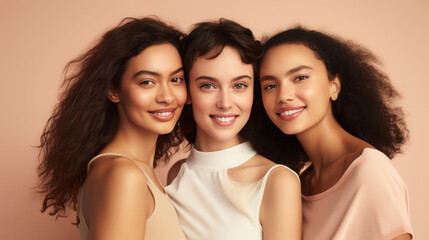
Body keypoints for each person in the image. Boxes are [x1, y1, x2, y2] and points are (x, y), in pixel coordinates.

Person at [256, 26, 412, 239]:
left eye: (300, 77)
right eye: (270, 85)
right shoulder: (299, 183)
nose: (284, 95)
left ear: (334, 86)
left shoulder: (370, 173)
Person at [37, 17, 187, 240]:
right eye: (147, 82)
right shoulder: (124, 175)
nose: (167, 96)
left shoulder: (129, 170)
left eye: (176, 79)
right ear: (114, 91)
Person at [165, 19, 302, 240]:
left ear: (253, 92)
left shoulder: (276, 181)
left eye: (239, 85)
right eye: (208, 85)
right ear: (187, 92)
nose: (225, 103)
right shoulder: (177, 173)